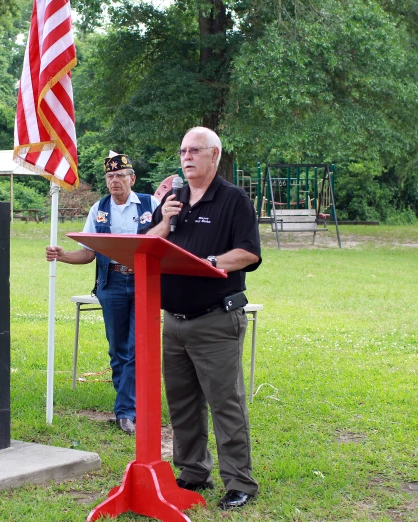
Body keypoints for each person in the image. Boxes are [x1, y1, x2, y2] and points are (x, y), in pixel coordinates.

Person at [148, 127, 262, 510]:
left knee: (224, 401)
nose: (186, 157)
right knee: (181, 402)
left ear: (214, 155)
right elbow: (149, 243)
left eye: (195, 150)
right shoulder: (173, 199)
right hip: (173, 321)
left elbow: (248, 252)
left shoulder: (233, 200)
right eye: (182, 150)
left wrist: (211, 263)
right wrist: (163, 218)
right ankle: (193, 471)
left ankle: (239, 482)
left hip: (215, 320)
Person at [45, 152, 160, 435]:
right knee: (117, 349)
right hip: (111, 284)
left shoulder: (150, 204)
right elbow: (88, 254)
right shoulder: (99, 208)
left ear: (132, 178)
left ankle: (124, 412)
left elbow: (165, 240)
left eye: (120, 175)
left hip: (144, 283)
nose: (114, 181)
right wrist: (61, 256)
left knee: (136, 348)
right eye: (110, 176)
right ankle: (129, 407)